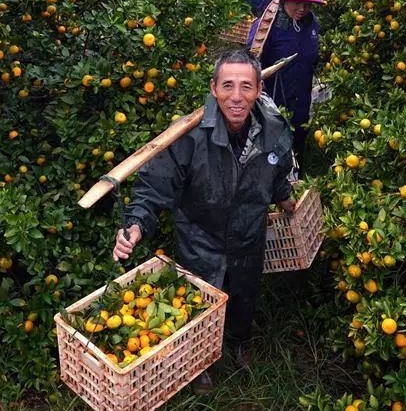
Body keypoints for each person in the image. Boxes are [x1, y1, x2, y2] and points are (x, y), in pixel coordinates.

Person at [112, 49, 296, 393]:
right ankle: (198, 363)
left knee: (243, 294)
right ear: (213, 89)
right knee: (197, 304)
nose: (236, 97)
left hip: (248, 235)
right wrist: (136, 223)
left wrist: (285, 197)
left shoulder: (271, 128)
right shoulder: (190, 136)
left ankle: (240, 341)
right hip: (201, 238)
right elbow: (154, 185)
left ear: (258, 90)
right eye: (227, 86)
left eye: (246, 86)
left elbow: (277, 168)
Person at [247, 0, 324, 155]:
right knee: (271, 146)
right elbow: (250, 63)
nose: (302, 9)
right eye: (297, 2)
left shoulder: (312, 24)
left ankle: (296, 179)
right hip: (273, 100)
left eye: (307, 4)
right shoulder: (266, 27)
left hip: (301, 99)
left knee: (297, 141)